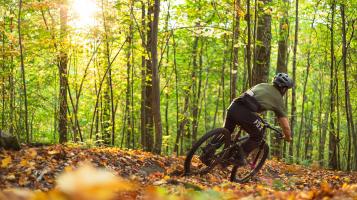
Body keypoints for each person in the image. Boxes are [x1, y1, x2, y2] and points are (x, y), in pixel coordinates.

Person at [224, 73, 293, 165]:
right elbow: (286, 127)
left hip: (234, 106)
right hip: (245, 113)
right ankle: (239, 157)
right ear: (284, 89)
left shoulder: (262, 85)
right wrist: (287, 137)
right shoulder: (278, 100)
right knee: (258, 137)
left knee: (226, 133)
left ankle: (209, 152)